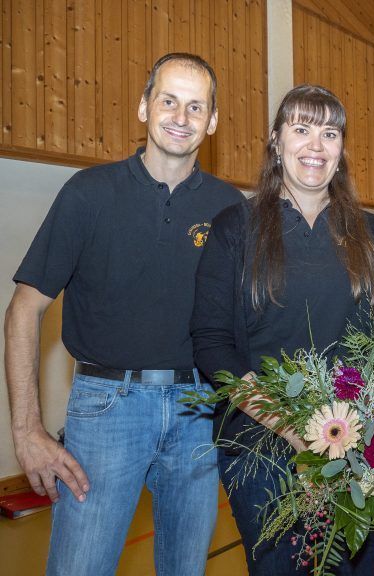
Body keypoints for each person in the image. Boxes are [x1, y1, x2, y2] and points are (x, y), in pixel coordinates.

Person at [5, 53, 243, 575]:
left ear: (214, 121)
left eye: (196, 106)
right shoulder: (87, 194)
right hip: (105, 410)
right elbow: (25, 308)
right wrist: (27, 431)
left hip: (198, 413)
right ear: (143, 107)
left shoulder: (232, 210)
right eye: (168, 100)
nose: (181, 116)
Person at [190, 84, 374, 575]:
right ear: (276, 141)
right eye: (301, 129)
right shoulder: (235, 228)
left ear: (342, 149)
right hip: (263, 451)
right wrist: (296, 432)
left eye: (329, 132)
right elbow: (213, 344)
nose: (315, 145)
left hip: (357, 452)